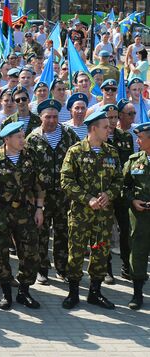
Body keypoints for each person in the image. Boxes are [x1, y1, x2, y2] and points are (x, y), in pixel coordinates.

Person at [61, 110, 123, 310]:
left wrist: (109, 194)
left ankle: (95, 293)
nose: (109, 129)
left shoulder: (111, 152)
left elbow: (119, 180)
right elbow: (66, 181)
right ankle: (73, 293)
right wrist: (87, 199)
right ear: (93, 128)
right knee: (76, 252)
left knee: (101, 252)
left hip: (104, 215)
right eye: (105, 127)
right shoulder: (76, 151)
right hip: (81, 214)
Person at [0, 121, 44, 310]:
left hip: (25, 211)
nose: (22, 139)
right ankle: (6, 293)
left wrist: (39, 208)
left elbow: (39, 186)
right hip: (0, 212)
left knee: (30, 252)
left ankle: (24, 292)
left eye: (23, 136)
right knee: (1, 253)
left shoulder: (31, 156)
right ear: (7, 139)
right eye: (18, 137)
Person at [25, 99, 79, 284]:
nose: (51, 120)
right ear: (41, 117)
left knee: (63, 231)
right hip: (42, 195)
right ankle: (41, 268)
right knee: (40, 232)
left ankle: (62, 267)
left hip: (64, 194)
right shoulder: (32, 138)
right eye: (48, 117)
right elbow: (27, 167)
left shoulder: (69, 134)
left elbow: (78, 159)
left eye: (55, 116)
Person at [103, 104, 134, 284]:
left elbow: (128, 165)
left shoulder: (126, 137)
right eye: (109, 118)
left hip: (122, 191)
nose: (113, 121)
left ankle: (125, 265)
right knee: (106, 230)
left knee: (125, 230)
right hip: (105, 191)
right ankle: (107, 269)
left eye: (115, 117)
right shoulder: (100, 138)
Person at [123, 122, 150, 310]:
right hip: (140, 217)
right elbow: (123, 186)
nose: (137, 141)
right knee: (138, 253)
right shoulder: (133, 160)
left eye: (141, 138)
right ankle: (137, 294)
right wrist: (132, 200)